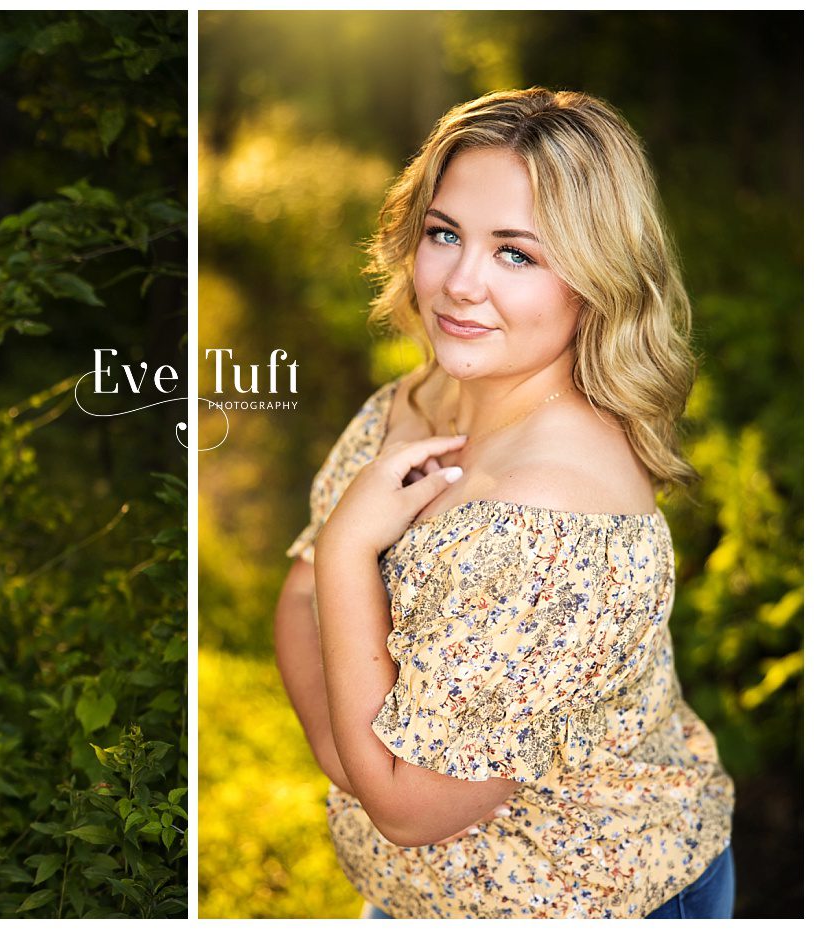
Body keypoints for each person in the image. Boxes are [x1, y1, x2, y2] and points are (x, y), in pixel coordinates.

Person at [271, 89, 735, 918]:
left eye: (516, 253)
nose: (459, 282)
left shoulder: (557, 519)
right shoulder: (416, 400)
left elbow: (408, 804)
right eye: (444, 233)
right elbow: (299, 596)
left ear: (596, 279)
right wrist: (353, 750)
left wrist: (350, 550)